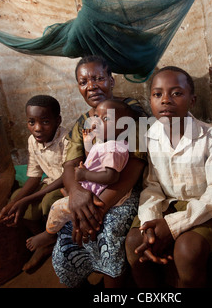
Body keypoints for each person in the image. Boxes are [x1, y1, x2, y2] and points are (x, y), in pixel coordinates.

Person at [125, 66, 212, 287]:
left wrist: (171, 225)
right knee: (135, 241)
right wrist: (150, 221)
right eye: (158, 94)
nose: (165, 100)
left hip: (208, 209)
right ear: (151, 100)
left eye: (176, 93)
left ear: (192, 100)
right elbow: (152, 185)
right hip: (169, 202)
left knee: (187, 250)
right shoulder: (150, 136)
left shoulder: (210, 136)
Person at [52, 55, 148, 288]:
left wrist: (97, 209)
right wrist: (76, 195)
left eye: (98, 78)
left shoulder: (131, 111)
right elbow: (70, 164)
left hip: (122, 191)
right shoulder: (82, 122)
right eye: (84, 81)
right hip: (89, 190)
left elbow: (135, 165)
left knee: (108, 232)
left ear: (111, 81)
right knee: (65, 237)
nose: (91, 86)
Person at [42, 99, 137, 242]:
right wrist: (87, 142)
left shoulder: (114, 148)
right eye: (96, 117)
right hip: (91, 186)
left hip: (100, 192)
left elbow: (111, 176)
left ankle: (48, 234)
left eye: (105, 119)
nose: (96, 122)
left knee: (56, 207)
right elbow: (92, 158)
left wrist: (85, 174)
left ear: (123, 127)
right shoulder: (102, 142)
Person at [0, 94, 68, 272]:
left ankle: (53, 240)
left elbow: (66, 177)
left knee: (47, 202)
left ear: (57, 120)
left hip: (66, 184)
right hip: (48, 182)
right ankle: (42, 242)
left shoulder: (66, 139)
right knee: (15, 197)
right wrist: (16, 202)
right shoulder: (32, 141)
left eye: (45, 122)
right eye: (31, 122)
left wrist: (27, 200)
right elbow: (35, 176)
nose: (37, 128)